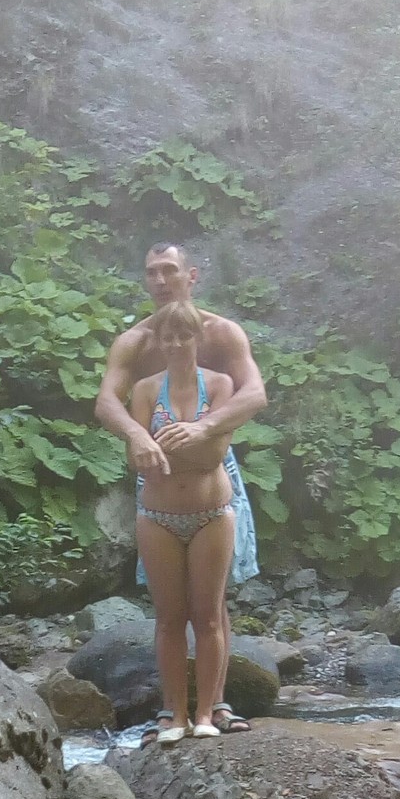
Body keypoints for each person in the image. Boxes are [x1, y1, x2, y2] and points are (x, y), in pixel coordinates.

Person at [97, 246, 266, 729]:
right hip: (158, 468)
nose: (161, 280)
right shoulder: (137, 341)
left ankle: (217, 704)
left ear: (191, 275)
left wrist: (205, 427)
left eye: (169, 270)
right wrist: (134, 432)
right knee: (171, 607)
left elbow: (254, 392)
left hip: (215, 466)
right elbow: (107, 400)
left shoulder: (221, 333)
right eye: (151, 272)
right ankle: (174, 710)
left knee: (212, 600)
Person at [129, 301, 240, 742]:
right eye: (168, 337)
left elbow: (215, 454)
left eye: (184, 335)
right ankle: (175, 716)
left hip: (211, 514)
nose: (176, 344)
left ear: (199, 339)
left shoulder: (220, 384)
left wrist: (166, 447)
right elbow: (139, 460)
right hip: (157, 516)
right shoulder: (143, 390)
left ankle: (207, 715)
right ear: (159, 342)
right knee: (169, 618)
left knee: (208, 616)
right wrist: (178, 444)